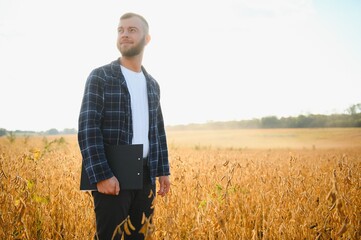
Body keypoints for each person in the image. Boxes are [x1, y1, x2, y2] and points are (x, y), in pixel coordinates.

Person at [78, 12, 170, 240]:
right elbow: (88, 129)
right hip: (112, 178)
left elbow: (157, 129)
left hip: (146, 176)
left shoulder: (152, 84)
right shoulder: (100, 77)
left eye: (132, 30)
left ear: (147, 39)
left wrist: (162, 171)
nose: (124, 35)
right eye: (120, 30)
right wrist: (102, 175)